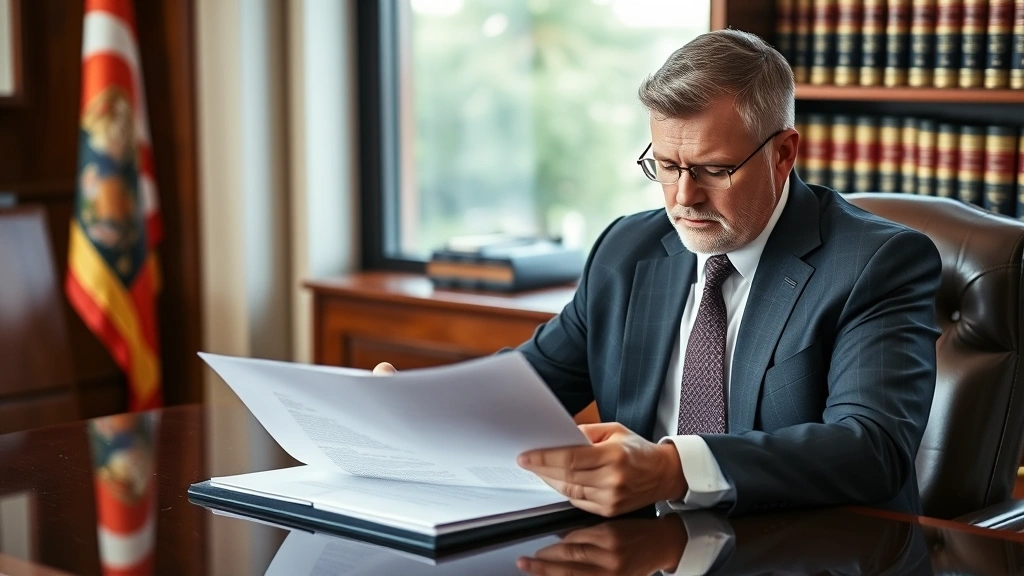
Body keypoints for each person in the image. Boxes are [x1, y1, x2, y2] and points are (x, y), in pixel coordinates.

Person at [376, 29, 941, 518]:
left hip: (813, 555)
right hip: (644, 549)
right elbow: (531, 386)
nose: (684, 198)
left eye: (714, 170)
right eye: (666, 167)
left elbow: (872, 448)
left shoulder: (877, 263)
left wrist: (674, 468)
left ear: (783, 154)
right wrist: (421, 407)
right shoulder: (629, 247)